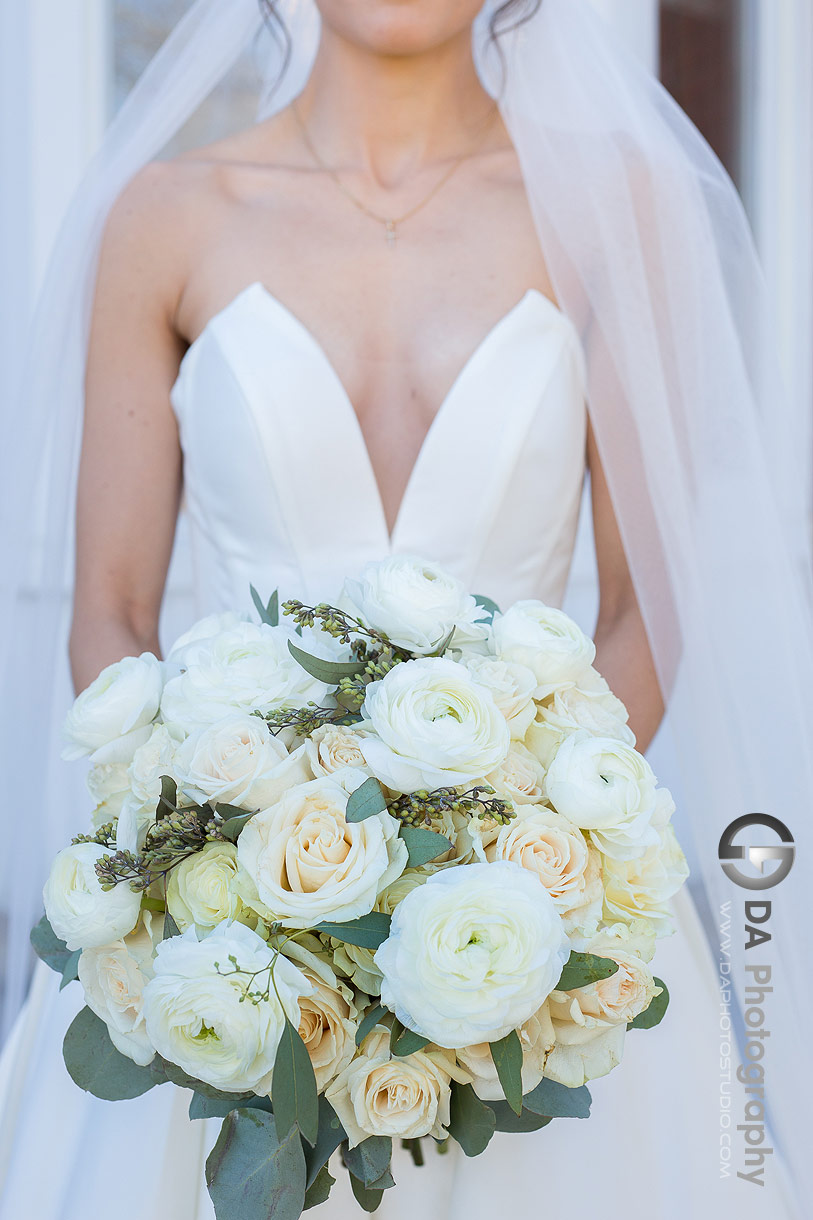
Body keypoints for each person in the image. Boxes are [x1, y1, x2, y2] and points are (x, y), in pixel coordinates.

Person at [0, 2, 809, 1218]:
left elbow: (651, 604)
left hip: (537, 922)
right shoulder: (165, 218)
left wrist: (511, 859)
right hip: (232, 937)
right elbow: (109, 611)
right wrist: (221, 855)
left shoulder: (616, 211)